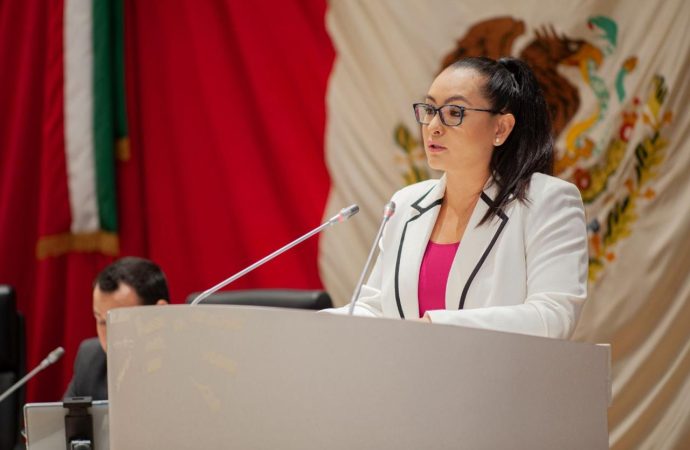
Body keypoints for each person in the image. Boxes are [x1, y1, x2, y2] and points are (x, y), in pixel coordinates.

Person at [328, 56, 587, 339]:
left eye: (454, 112)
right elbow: (377, 308)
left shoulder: (546, 201)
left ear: (500, 128)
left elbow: (552, 316)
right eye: (429, 109)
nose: (433, 127)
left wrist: (434, 329)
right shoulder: (405, 204)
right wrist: (299, 324)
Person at [64, 257, 169, 400]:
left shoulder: (191, 366)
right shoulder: (90, 361)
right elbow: (64, 422)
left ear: (159, 314)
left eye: (120, 322)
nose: (109, 336)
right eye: (101, 321)